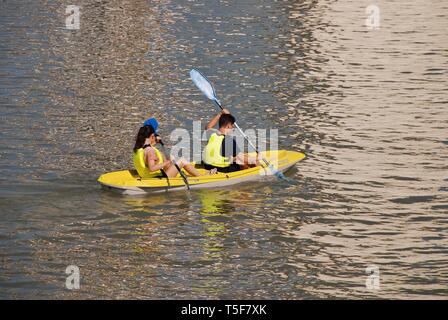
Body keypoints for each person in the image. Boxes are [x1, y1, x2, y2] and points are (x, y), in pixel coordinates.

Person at [133, 123, 216, 178]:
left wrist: (155, 142)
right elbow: (152, 168)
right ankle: (202, 177)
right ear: (152, 136)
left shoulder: (140, 147)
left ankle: (179, 169)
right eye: (154, 136)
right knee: (182, 160)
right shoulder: (150, 151)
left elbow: (149, 150)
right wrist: (166, 162)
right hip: (158, 179)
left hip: (147, 177)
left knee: (166, 157)